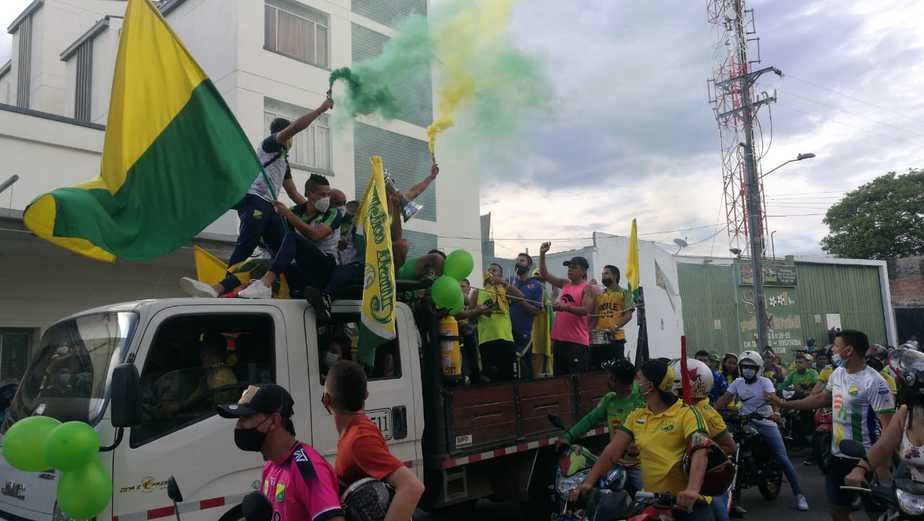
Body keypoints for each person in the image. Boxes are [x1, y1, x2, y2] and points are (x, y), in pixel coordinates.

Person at [180, 99, 333, 298]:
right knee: (247, 244)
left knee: (283, 249)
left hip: (271, 208)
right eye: (289, 136)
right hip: (255, 201)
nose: (291, 141)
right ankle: (220, 288)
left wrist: (314, 207)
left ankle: (273, 288)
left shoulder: (283, 162)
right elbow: (297, 126)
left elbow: (293, 192)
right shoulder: (270, 145)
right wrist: (321, 109)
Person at [767, 330, 894, 521]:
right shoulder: (838, 374)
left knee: (878, 515)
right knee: (838, 511)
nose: (832, 350)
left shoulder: (875, 382)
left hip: (867, 458)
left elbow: (889, 431)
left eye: (836, 346)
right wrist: (784, 404)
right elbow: (820, 399)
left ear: (848, 350)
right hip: (838, 457)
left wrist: (881, 468)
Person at [572, 358, 715, 520]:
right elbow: (612, 451)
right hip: (653, 504)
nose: (635, 382)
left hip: (687, 505)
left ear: (650, 386)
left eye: (639, 379)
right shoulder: (637, 416)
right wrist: (588, 483)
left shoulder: (688, 414)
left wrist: (692, 490)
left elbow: (700, 450)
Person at [218, 384, 345, 521]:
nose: (239, 424)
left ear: (274, 421)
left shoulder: (307, 470)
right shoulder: (270, 466)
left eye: (246, 417)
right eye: (239, 418)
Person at [324, 361, 424, 521]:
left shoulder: (360, 439)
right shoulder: (355, 431)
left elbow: (412, 486)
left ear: (327, 400)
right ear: (366, 395)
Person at [715, 350, 809, 511]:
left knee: (782, 458)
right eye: (744, 366)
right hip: (744, 422)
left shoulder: (765, 382)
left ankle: (799, 495)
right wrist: (710, 412)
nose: (747, 369)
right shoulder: (737, 382)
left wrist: (776, 414)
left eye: (751, 367)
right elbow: (722, 401)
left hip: (765, 422)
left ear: (758, 368)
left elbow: (773, 399)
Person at [237, 175, 342, 304]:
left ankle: (265, 283)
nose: (326, 199)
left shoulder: (333, 213)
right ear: (309, 194)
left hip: (325, 266)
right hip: (302, 267)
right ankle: (222, 288)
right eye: (322, 194)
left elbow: (316, 235)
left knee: (292, 238)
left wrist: (288, 215)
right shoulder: (295, 211)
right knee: (261, 262)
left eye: (328, 195)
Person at [559, 358, 645, 494]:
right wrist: (568, 436)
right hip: (613, 463)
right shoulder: (609, 400)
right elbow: (590, 420)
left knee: (647, 497)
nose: (607, 379)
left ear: (615, 380)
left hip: (640, 465)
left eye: (610, 376)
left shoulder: (642, 398)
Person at [670, 358, 737, 521]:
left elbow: (729, 446)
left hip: (705, 478)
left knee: (719, 514)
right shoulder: (677, 408)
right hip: (679, 478)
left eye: (678, 389)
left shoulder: (707, 413)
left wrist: (698, 454)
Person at [538, 242, 595, 375]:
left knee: (576, 381)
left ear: (583, 271)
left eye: (574, 267)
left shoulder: (587, 288)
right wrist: (542, 254)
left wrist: (565, 307)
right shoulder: (565, 284)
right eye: (569, 267)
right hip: (559, 341)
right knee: (559, 380)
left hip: (576, 343)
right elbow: (544, 275)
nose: (569, 270)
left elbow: (585, 310)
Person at [471, 264, 521, 382]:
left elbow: (520, 296)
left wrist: (503, 282)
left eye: (494, 270)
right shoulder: (478, 290)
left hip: (505, 338)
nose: (490, 272)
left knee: (509, 377)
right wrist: (479, 311)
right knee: (492, 378)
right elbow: (470, 316)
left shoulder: (504, 288)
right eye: (489, 270)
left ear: (500, 275)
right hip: (486, 340)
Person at [590, 265, 634, 365]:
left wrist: (615, 326)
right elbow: (594, 316)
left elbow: (628, 315)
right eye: (602, 274)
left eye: (606, 273)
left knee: (616, 369)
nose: (603, 276)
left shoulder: (625, 293)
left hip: (615, 338)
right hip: (598, 339)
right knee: (596, 370)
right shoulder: (599, 295)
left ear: (615, 276)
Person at [509, 253, 544, 378]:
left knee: (524, 365)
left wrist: (520, 300)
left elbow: (536, 311)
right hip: (507, 331)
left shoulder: (536, 285)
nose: (518, 263)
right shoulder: (509, 281)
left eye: (522, 260)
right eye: (517, 260)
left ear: (529, 265)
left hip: (524, 331)